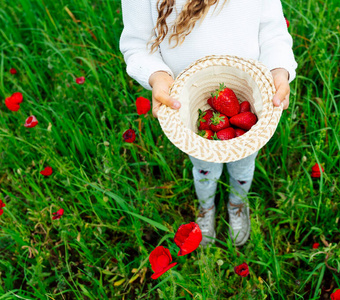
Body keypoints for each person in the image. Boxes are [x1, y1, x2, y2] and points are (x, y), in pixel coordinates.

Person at [119, 0, 297, 247]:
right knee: (203, 164)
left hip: (250, 90)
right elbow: (138, 44)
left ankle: (236, 202)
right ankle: (206, 207)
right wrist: (158, 75)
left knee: (244, 162)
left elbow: (272, 29)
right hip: (191, 102)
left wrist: (279, 69)